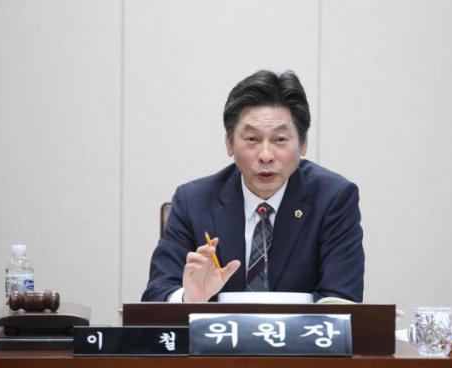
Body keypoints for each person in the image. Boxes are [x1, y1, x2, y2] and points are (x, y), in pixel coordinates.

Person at [142, 70, 364, 303]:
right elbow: (156, 294)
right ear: (229, 143)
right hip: (217, 329)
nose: (266, 155)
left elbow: (341, 299)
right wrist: (189, 299)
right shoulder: (193, 202)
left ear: (303, 144)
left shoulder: (333, 199)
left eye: (280, 139)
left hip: (302, 330)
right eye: (252, 139)